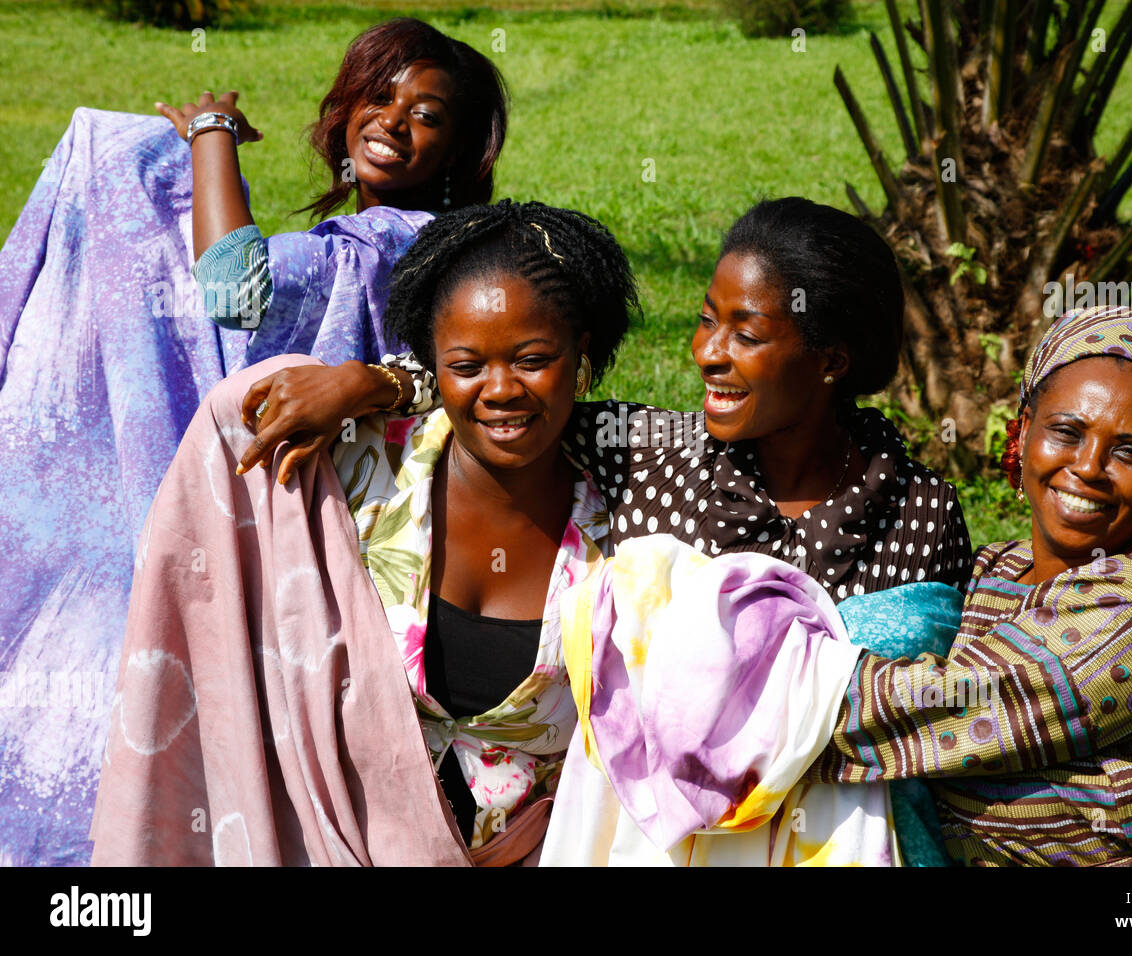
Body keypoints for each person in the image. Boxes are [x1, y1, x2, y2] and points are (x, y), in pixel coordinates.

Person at [239, 196, 975, 863]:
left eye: (743, 333)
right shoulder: (657, 454)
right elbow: (514, 385)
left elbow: (927, 716)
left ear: (832, 361)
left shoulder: (919, 512)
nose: (707, 352)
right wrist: (373, 382)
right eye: (705, 318)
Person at [0, 18, 506, 866]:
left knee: (118, 154)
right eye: (378, 98)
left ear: (458, 155)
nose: (393, 120)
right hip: (323, 533)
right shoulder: (395, 249)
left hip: (332, 543)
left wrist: (208, 137)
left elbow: (233, 290)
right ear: (343, 116)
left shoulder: (394, 245)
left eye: (427, 115)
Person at [90, 200, 637, 865]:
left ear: (581, 353)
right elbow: (239, 415)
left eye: (532, 359)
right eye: (466, 366)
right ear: (432, 365)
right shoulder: (360, 469)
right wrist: (372, 381)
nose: (500, 389)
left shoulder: (630, 508)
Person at [809, 305, 1132, 866]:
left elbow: (946, 708)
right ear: (1025, 431)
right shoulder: (993, 570)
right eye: (1067, 431)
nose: (1089, 467)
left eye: (1131, 451)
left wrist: (751, 688)